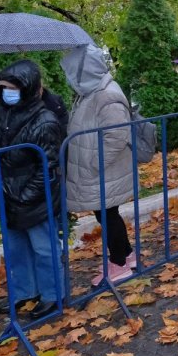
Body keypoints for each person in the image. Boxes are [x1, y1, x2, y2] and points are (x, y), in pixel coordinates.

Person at [0, 60, 66, 321]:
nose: (6, 93)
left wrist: (24, 196)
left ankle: (53, 295)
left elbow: (47, 166)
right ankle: (25, 291)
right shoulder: (0, 112)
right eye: (2, 88)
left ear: (27, 88)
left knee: (44, 249)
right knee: (16, 249)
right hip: (6, 193)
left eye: (12, 88)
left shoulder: (44, 119)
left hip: (33, 197)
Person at [61, 45, 136, 287]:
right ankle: (126, 255)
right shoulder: (91, 91)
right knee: (107, 213)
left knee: (107, 213)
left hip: (103, 170)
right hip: (99, 171)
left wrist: (94, 164)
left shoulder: (106, 95)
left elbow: (116, 135)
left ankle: (119, 265)